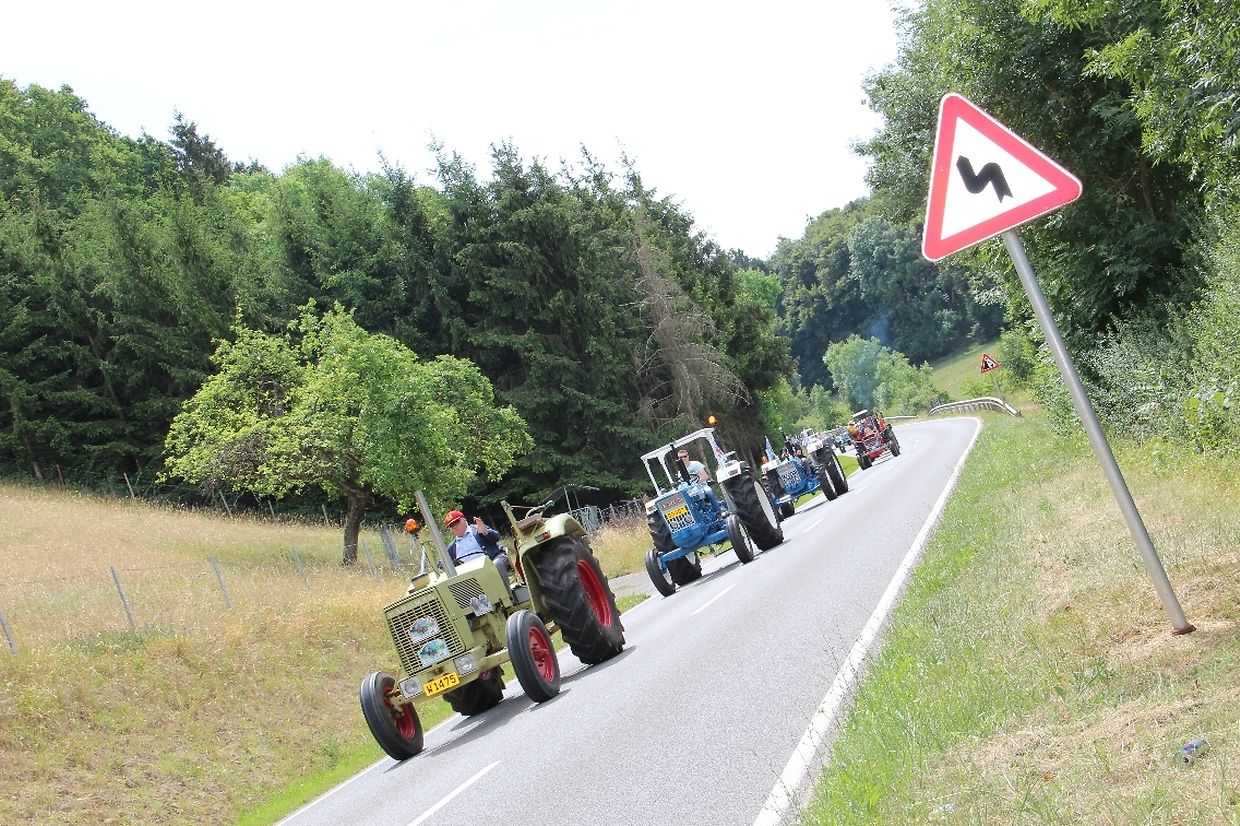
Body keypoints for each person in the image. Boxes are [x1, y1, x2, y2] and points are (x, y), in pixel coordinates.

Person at [442, 510, 512, 584]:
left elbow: (497, 537)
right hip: (470, 573)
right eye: (451, 525)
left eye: (457, 522)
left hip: (492, 560)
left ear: (464, 520)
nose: (455, 526)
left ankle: (506, 591)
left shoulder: (478, 529)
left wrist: (485, 532)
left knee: (497, 564)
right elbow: (444, 564)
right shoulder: (452, 547)